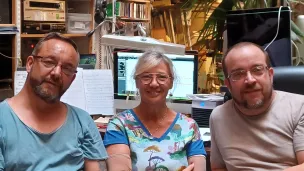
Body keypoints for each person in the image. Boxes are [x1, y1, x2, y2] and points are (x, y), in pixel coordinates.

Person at [0, 32, 108, 170]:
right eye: (49, 62)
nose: (57, 73)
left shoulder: (83, 121)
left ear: (73, 79)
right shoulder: (3, 120)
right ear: (30, 64)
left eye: (67, 68)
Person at [103, 50, 206, 171]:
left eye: (162, 77)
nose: (153, 83)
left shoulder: (189, 127)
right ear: (136, 82)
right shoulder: (119, 125)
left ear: (171, 82)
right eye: (146, 77)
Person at [210, 42, 304, 171]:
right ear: (228, 85)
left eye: (257, 70)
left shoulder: (299, 107)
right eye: (238, 74)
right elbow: (218, 168)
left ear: (270, 75)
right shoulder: (218, 116)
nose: (250, 80)